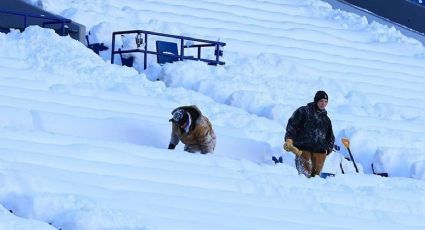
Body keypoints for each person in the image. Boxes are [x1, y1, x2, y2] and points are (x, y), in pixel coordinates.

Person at [283, 90, 335, 177]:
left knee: (316, 178)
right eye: (321, 101)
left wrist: (327, 150)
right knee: (304, 176)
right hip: (303, 150)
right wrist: (289, 139)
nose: (323, 104)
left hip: (320, 153)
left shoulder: (326, 119)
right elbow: (292, 125)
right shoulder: (304, 111)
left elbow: (331, 137)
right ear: (316, 101)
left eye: (326, 101)